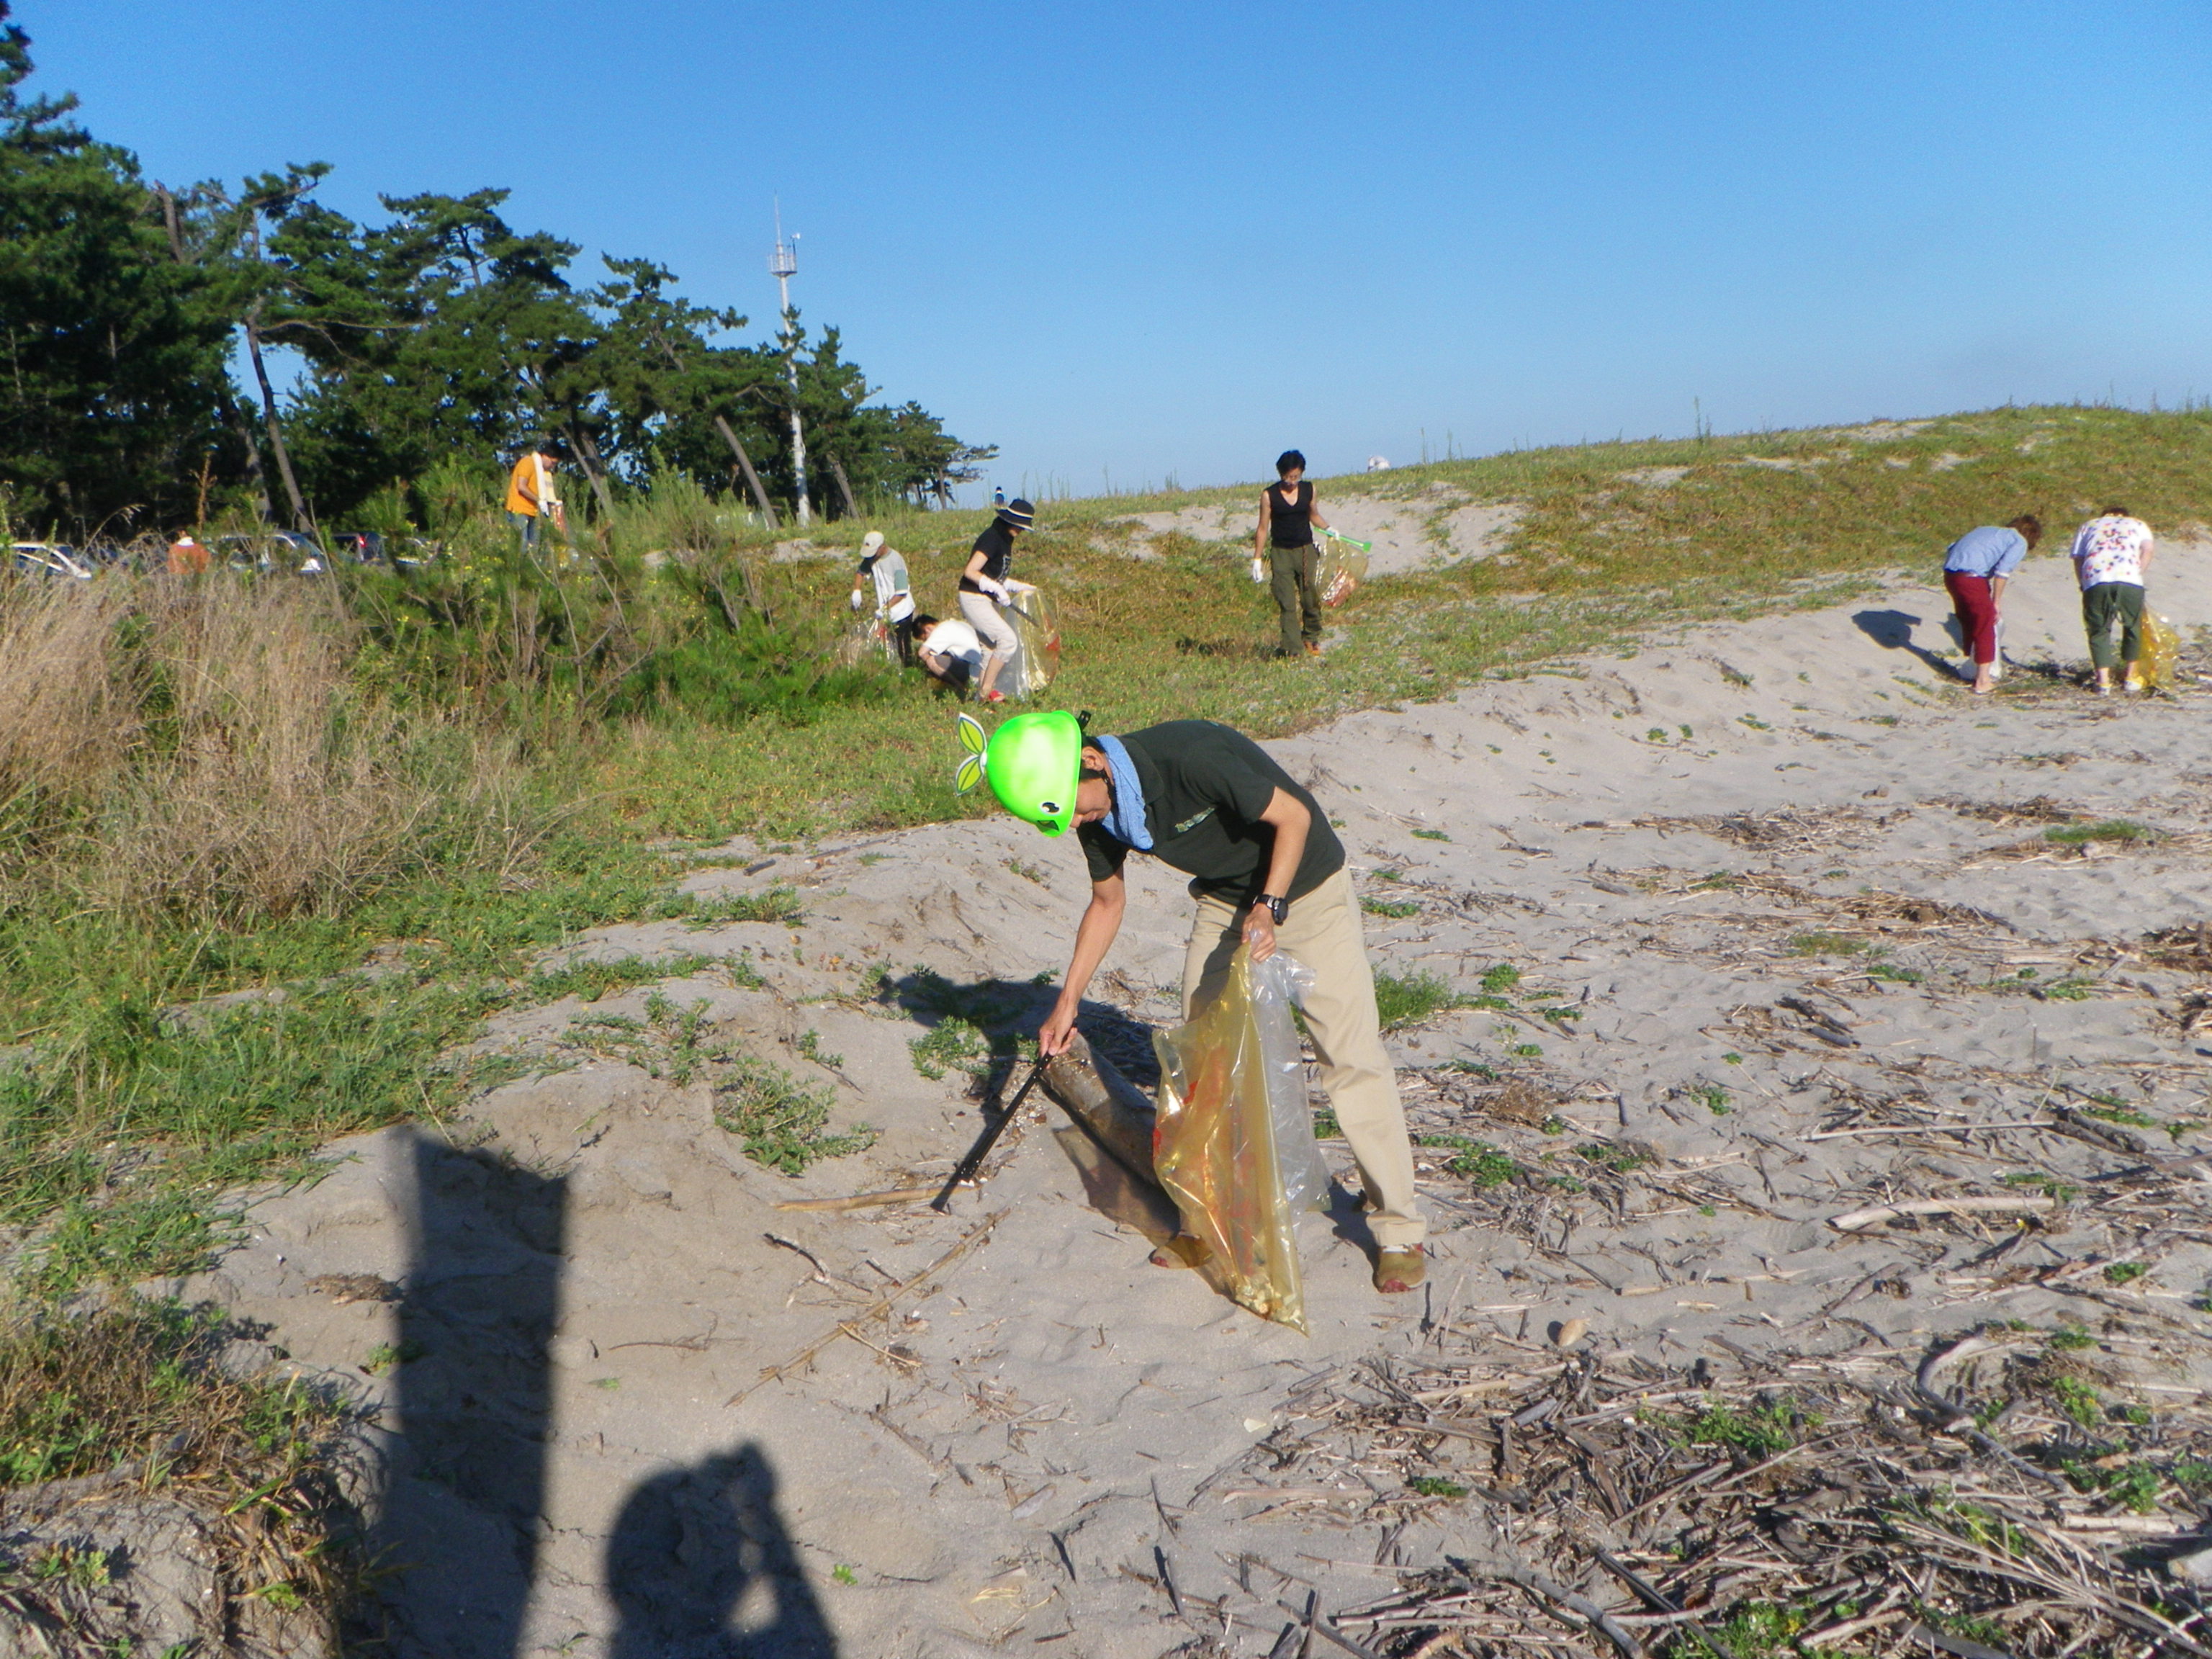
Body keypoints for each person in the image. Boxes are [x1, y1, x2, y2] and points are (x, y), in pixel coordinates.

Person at [974, 710, 1426, 1295]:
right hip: (1225, 902)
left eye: (1079, 808)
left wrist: (1271, 905)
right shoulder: (1096, 808)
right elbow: (1107, 903)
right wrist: (1067, 1005)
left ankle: (1398, 1229)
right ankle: (1211, 1221)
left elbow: (1295, 815)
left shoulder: (1188, 758)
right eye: (1067, 818)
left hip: (1308, 889)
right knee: (1202, 1062)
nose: (1081, 822)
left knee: (1349, 1056)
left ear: (1092, 762)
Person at [1941, 514, 2039, 695]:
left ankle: (1972, 667)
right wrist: (1996, 602)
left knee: (1969, 620)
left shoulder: (1984, 530)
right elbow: (2003, 572)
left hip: (1951, 575)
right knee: (1986, 624)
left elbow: (1952, 548)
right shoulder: (2019, 540)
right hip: (1972, 579)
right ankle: (1983, 680)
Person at [2069, 505, 2155, 695]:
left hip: (2096, 577)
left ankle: (2103, 682)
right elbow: (2147, 551)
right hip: (2129, 578)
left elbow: (2078, 558)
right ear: (2125, 515)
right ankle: (2131, 677)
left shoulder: (2089, 525)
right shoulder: (2138, 524)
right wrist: (2138, 573)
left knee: (2098, 629)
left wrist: (2083, 583)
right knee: (2133, 626)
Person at [958, 498, 1036, 705]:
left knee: (990, 649)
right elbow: (971, 571)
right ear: (1010, 521)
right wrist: (994, 588)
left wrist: (1015, 586)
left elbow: (995, 575)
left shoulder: (1006, 540)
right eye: (1020, 526)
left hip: (987, 598)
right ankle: (986, 690)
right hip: (974, 597)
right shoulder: (992, 538)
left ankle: (980, 702)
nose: (1021, 531)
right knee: (1008, 641)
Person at [1255, 450, 1331, 658]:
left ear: (1301, 473)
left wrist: (1329, 529)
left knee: (1310, 597)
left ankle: (1311, 637)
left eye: (1295, 477)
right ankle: (1292, 648)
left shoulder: (1309, 490)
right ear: (1281, 474)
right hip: (1281, 553)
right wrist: (1257, 559)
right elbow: (1262, 528)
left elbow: (1313, 515)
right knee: (1286, 602)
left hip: (1306, 551)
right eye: (1287, 477)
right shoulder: (1269, 495)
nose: (1291, 482)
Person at [850, 531, 917, 663]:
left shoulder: (896, 561)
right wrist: (857, 590)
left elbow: (901, 592)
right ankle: (892, 669)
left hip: (901, 611)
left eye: (874, 552)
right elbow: (860, 573)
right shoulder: (872, 559)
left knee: (902, 647)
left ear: (882, 547)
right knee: (888, 645)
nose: (871, 556)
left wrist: (885, 609)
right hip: (886, 611)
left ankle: (908, 671)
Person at [505, 441, 566, 549]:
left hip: (533, 512)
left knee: (534, 548)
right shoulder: (528, 462)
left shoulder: (542, 473)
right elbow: (522, 486)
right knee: (521, 547)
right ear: (545, 456)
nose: (552, 467)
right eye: (552, 463)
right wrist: (539, 500)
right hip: (519, 510)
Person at [912, 613, 986, 696]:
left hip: (974, 670)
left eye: (924, 639)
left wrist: (927, 662)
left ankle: (960, 688)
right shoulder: (958, 624)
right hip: (984, 666)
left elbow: (921, 653)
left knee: (932, 659)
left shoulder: (940, 630)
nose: (925, 642)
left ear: (927, 629)